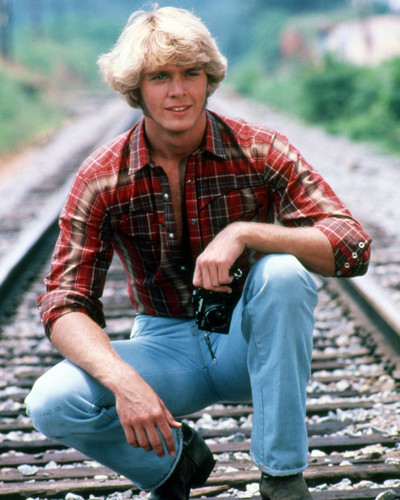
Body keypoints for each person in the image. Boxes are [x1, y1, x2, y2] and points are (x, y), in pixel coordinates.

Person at [25, 6, 371, 500]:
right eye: (159, 77)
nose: (178, 91)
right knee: (51, 402)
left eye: (191, 73)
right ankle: (172, 465)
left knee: (283, 274)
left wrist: (247, 233)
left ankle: (282, 478)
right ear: (135, 88)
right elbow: (64, 302)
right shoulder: (102, 177)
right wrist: (124, 382)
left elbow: (352, 246)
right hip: (164, 348)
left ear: (209, 79)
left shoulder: (260, 149)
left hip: (247, 346)